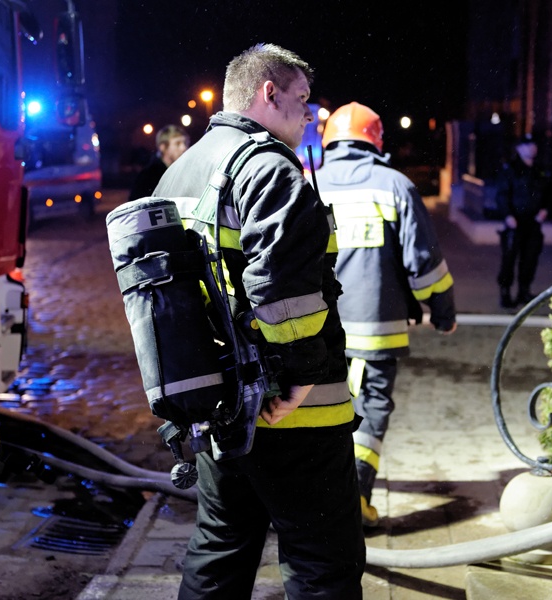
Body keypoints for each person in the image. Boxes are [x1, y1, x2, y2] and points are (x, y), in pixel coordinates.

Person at [152, 44, 365, 599]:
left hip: (216, 408)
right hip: (291, 415)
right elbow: (283, 290)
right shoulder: (267, 167)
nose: (309, 114)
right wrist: (297, 380)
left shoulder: (181, 171)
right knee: (324, 560)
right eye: (301, 100)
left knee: (220, 549)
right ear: (268, 92)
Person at [314, 101, 457, 527]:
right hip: (377, 329)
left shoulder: (308, 184)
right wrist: (443, 311)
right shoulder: (395, 185)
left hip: (317, 330)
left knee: (321, 409)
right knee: (371, 408)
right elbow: (425, 264)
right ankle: (354, 499)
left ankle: (319, 501)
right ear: (376, 141)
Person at [495, 134, 551, 308]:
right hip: (515, 222)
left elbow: (548, 194)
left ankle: (523, 291)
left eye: (533, 145)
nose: (531, 148)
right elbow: (502, 195)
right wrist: (508, 215)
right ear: (519, 149)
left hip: (533, 222)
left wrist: (545, 210)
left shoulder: (540, 170)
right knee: (509, 258)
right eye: (527, 145)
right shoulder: (510, 169)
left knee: (530, 258)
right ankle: (505, 293)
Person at [129, 124, 190, 200]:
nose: (183, 148)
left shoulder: (185, 171)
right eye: (177, 143)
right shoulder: (148, 176)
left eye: (185, 143)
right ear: (163, 147)